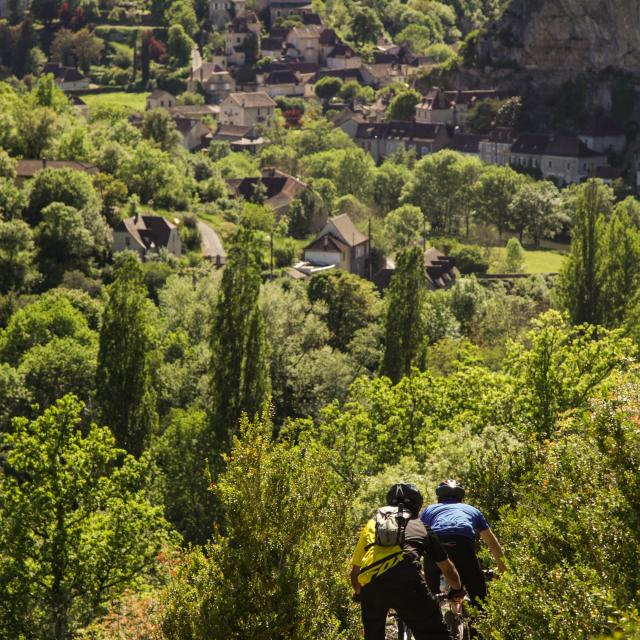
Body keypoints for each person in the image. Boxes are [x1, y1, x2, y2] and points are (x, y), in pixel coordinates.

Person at [351, 482, 463, 640]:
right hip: (408, 584)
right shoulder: (421, 526)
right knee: (435, 635)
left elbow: (355, 574)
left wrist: (359, 594)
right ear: (417, 506)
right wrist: (457, 589)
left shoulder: (371, 524)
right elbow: (448, 570)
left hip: (372, 586)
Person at [421, 480, 506, 609]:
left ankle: (430, 617)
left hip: (436, 544)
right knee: (479, 599)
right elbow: (491, 542)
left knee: (429, 599)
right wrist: (502, 567)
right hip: (462, 545)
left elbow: (418, 536)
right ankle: (476, 624)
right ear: (461, 498)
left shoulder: (430, 510)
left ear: (439, 497)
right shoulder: (472, 510)